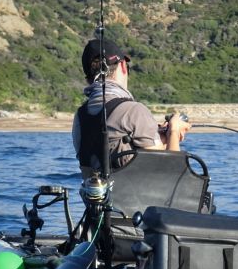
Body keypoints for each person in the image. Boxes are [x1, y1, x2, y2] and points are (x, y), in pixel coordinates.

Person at [72, 38, 191, 178]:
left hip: (100, 197)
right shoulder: (134, 111)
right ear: (122, 66)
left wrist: (159, 137)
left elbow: (111, 145)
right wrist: (174, 131)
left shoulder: (79, 117)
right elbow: (172, 172)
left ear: (88, 79)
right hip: (141, 197)